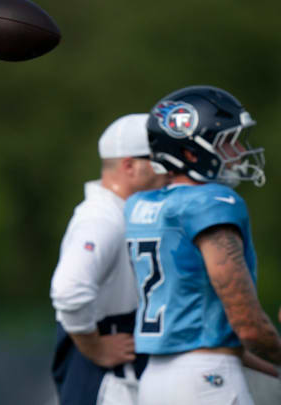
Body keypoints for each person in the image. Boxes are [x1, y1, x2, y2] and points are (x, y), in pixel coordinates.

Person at [124, 85, 281, 404]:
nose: (238, 151)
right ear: (192, 152)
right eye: (227, 142)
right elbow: (247, 324)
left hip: (154, 379)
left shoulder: (139, 205)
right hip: (207, 380)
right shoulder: (211, 202)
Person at [50, 113, 168, 405]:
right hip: (108, 373)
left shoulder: (123, 213)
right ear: (129, 165)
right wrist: (94, 347)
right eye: (159, 158)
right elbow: (68, 290)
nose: (169, 168)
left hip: (119, 368)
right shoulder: (102, 218)